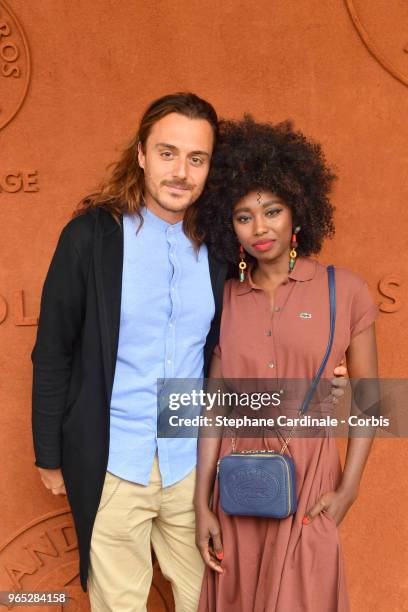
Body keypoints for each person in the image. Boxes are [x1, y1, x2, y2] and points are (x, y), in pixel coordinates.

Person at [31, 94, 347, 612]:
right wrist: (49, 455)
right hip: (112, 460)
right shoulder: (90, 237)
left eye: (196, 159)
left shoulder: (221, 247)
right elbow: (53, 352)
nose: (181, 172)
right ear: (141, 154)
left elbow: (264, 315)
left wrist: (323, 361)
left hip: (191, 463)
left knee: (212, 598)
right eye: (167, 153)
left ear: (210, 167)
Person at [194, 116, 379, 611]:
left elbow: (367, 400)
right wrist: (200, 502)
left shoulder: (347, 290)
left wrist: (348, 490)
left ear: (298, 213)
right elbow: (215, 406)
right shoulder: (224, 298)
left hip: (310, 486)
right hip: (236, 488)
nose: (259, 228)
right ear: (226, 225)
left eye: (272, 211)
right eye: (243, 216)